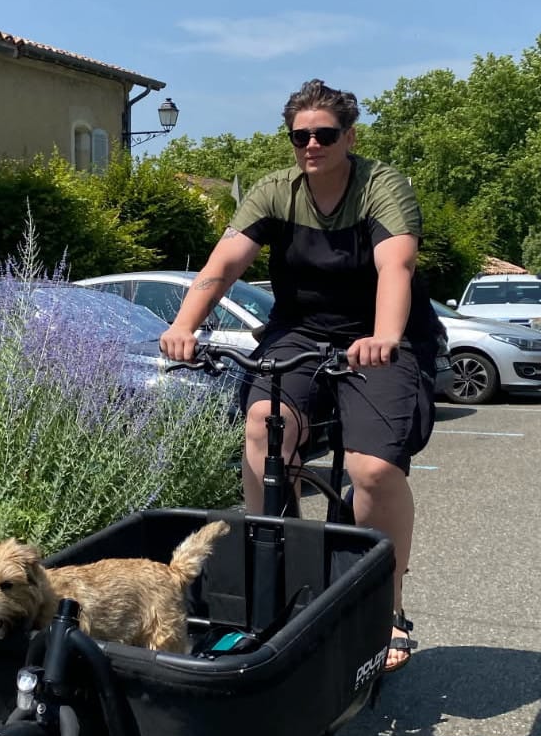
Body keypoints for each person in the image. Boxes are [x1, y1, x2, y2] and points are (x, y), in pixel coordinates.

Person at [159, 78, 442, 672]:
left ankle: (387, 606)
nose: (311, 144)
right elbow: (225, 262)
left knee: (372, 468)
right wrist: (185, 325)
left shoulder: (381, 186)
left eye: (325, 134)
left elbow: (398, 265)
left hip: (382, 336)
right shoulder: (273, 192)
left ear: (349, 136)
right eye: (300, 136)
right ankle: (278, 574)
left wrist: (386, 337)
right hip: (301, 333)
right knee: (264, 426)